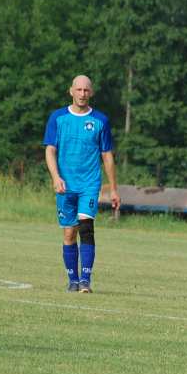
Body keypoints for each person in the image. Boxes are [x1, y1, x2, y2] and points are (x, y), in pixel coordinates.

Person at [43, 75, 120, 293]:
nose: (82, 94)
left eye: (86, 90)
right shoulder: (57, 118)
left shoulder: (100, 120)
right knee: (69, 233)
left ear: (91, 93)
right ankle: (73, 280)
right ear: (71, 91)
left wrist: (114, 188)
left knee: (86, 226)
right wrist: (55, 177)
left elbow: (107, 156)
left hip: (89, 183)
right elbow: (50, 150)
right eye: (79, 90)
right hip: (65, 185)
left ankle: (86, 280)